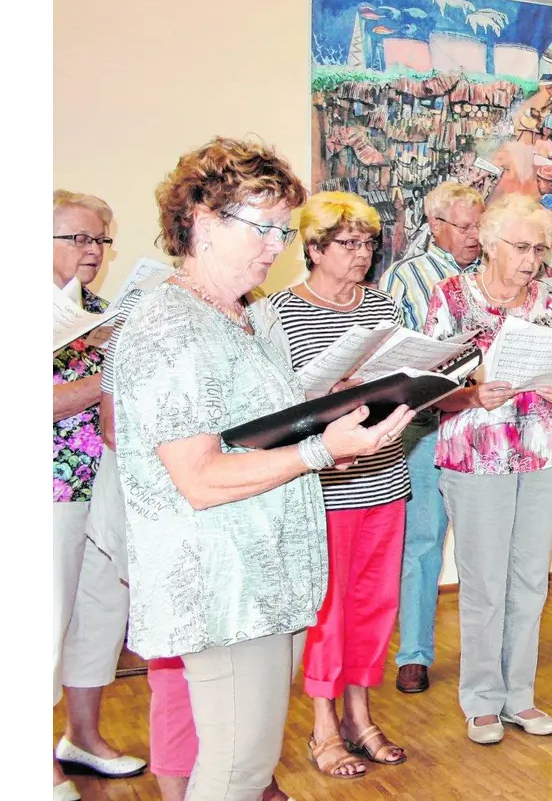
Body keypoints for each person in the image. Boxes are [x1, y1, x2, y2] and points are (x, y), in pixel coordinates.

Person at [116, 137, 412, 801]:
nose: (275, 245)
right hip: (221, 582)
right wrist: (324, 450)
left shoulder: (248, 317)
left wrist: (344, 411)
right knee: (235, 768)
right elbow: (199, 476)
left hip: (268, 576)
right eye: (261, 227)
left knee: (248, 764)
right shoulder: (170, 326)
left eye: (282, 229)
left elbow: (256, 426)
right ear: (200, 219)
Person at [258, 193, 410, 777]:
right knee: (327, 609)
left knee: (374, 604)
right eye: (348, 244)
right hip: (325, 484)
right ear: (314, 249)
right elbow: (272, 408)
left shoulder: (384, 305)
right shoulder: (278, 311)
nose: (362, 255)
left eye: (369, 243)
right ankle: (323, 726)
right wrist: (328, 395)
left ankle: (359, 713)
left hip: (387, 477)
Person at [423, 197, 552, 744]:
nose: (532, 259)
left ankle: (520, 697)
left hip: (542, 452)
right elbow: (427, 390)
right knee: (484, 583)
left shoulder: (548, 305)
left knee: (531, 580)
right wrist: (469, 394)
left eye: (539, 248)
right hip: (476, 454)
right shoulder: (450, 300)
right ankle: (482, 699)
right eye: (521, 246)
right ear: (488, 241)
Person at [51, 191, 147, 801]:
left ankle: (82, 737)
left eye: (99, 240)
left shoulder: (101, 312)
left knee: (100, 613)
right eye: (77, 238)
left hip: (105, 482)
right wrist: (110, 374)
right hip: (49, 487)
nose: (93, 251)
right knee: (41, 621)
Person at [378, 180, 484, 694]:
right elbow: (394, 355)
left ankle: (482, 653)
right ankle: (414, 653)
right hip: (424, 429)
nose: (473, 236)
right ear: (435, 226)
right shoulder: (405, 278)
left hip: (479, 428)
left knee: (479, 548)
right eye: (463, 227)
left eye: (478, 226)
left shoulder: (488, 279)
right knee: (421, 543)